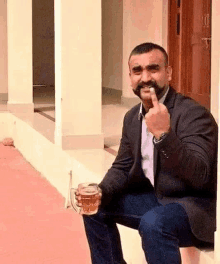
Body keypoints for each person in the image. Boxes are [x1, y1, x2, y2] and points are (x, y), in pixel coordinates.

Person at [77, 42, 218, 264]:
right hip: (158, 199)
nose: (145, 78)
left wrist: (164, 135)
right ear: (130, 77)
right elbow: (122, 167)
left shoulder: (194, 114)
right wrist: (101, 191)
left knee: (155, 223)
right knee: (95, 209)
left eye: (153, 69)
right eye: (137, 71)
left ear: (168, 73)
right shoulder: (133, 117)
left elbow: (200, 177)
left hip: (194, 208)